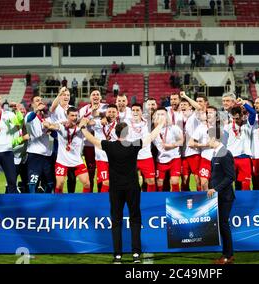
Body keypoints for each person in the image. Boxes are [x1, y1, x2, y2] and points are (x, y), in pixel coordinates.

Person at [79, 115, 165, 264]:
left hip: (116, 189)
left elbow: (92, 140)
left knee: (116, 220)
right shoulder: (133, 145)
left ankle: (117, 256)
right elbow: (150, 137)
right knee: (135, 219)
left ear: (115, 133)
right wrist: (161, 124)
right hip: (132, 188)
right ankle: (136, 254)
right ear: (127, 133)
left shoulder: (109, 145)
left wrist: (82, 127)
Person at [42, 107, 91, 193]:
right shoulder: (61, 127)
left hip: (77, 161)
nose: (74, 117)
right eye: (72, 115)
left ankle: (84, 203)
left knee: (87, 183)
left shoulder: (81, 127)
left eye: (76, 115)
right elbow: (50, 125)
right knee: (59, 184)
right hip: (62, 161)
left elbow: (92, 122)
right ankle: (58, 202)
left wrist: (86, 121)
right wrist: (48, 124)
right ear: (67, 116)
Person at [208, 128, 236, 264]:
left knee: (224, 224)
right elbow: (214, 175)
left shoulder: (225, 153)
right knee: (221, 224)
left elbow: (231, 176)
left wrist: (215, 189)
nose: (207, 141)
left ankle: (228, 255)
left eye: (209, 138)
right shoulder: (216, 153)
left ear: (215, 139)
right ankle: (226, 254)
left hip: (225, 197)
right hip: (218, 196)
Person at [78, 89, 108, 192]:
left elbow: (107, 120)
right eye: (93, 94)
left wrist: (92, 120)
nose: (95, 96)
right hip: (89, 145)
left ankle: (100, 194)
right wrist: (91, 112)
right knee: (90, 171)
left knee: (102, 172)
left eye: (97, 94)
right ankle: (89, 195)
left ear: (100, 97)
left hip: (102, 145)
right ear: (90, 97)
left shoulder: (106, 107)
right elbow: (80, 122)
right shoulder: (84, 109)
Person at [25, 95, 55, 193]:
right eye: (37, 101)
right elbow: (29, 119)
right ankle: (32, 203)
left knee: (50, 182)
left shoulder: (47, 118)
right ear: (33, 104)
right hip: (34, 154)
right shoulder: (30, 115)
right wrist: (36, 110)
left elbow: (55, 135)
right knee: (33, 182)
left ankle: (48, 203)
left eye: (41, 100)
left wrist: (50, 128)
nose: (40, 102)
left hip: (47, 155)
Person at [153, 107, 184, 192]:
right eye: (158, 114)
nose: (160, 116)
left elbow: (181, 141)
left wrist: (171, 146)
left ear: (167, 116)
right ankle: (160, 201)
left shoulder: (174, 128)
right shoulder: (154, 131)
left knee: (174, 181)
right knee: (159, 182)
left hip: (174, 158)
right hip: (160, 159)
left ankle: (176, 201)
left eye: (162, 114)